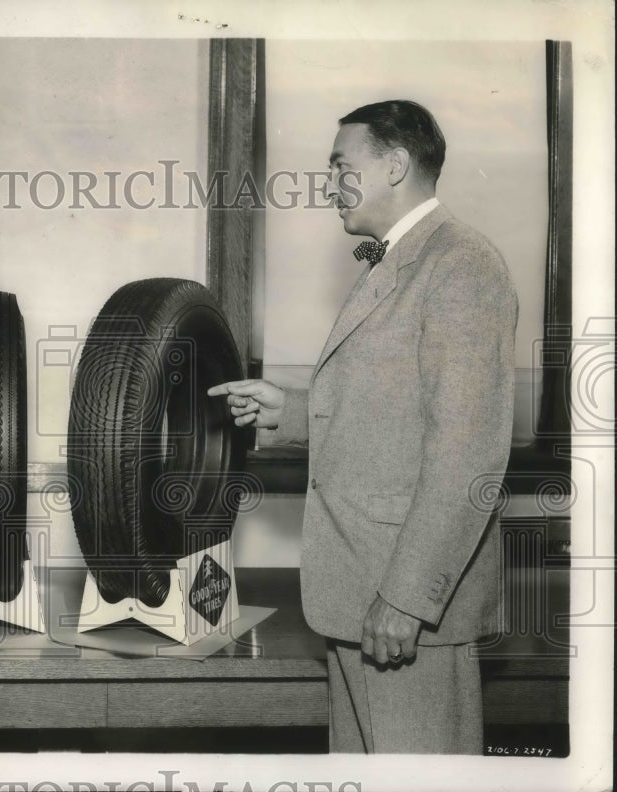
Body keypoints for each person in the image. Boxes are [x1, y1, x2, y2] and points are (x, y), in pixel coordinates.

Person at [209, 100, 517, 753]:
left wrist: (408, 599)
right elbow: (396, 417)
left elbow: (468, 455)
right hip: (357, 597)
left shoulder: (460, 266)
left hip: (403, 610)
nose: (327, 186)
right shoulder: (393, 263)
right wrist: (288, 412)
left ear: (396, 165)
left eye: (340, 167)